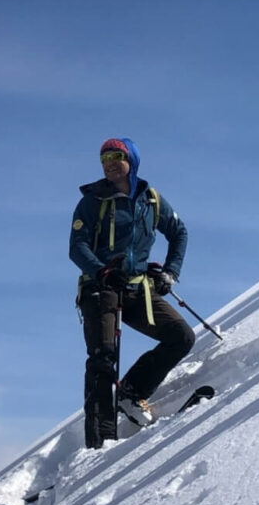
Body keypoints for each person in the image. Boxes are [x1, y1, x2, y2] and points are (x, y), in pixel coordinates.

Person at [69, 137, 195, 449]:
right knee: (102, 358)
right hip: (101, 289)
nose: (109, 163)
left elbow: (179, 232)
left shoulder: (150, 198)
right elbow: (77, 247)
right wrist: (102, 271)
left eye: (116, 156)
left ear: (132, 160)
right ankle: (99, 444)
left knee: (181, 337)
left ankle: (130, 392)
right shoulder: (93, 200)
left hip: (139, 287)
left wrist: (170, 272)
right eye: (104, 158)